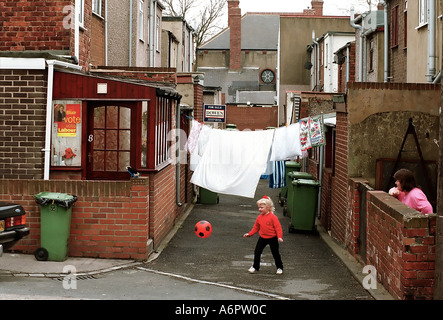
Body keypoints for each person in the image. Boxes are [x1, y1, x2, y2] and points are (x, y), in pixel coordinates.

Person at [243, 195, 284, 275]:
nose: (259, 209)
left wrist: (279, 237)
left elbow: (278, 228)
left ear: (268, 207)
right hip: (262, 237)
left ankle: (279, 267)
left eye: (261, 208)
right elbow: (256, 227)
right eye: (259, 207)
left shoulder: (273, 217)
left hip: (273, 238)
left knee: (275, 253)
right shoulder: (259, 217)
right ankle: (255, 267)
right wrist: (249, 234)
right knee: (257, 251)